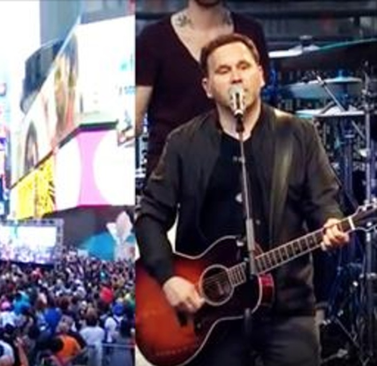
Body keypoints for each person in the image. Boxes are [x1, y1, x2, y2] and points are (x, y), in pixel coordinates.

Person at [135, 33, 349, 366]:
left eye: (243, 66)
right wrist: (168, 278)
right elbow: (149, 216)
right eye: (223, 70)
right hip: (209, 315)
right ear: (207, 86)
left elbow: (323, 202)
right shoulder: (183, 143)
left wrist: (331, 223)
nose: (235, 76)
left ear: (261, 76)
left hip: (288, 310)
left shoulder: (298, 134)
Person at [135, 0, 270, 177]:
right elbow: (135, 116)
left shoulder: (250, 32)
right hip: (172, 178)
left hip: (236, 172)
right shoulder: (154, 39)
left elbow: (261, 106)